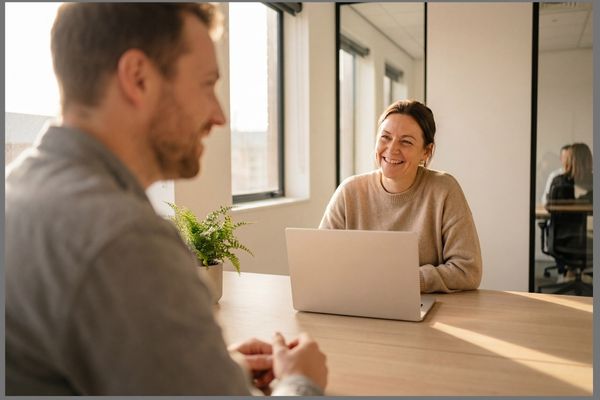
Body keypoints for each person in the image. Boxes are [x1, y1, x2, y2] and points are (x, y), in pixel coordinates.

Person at [5, 3, 327, 395]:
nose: (219, 115)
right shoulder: (124, 240)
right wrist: (301, 381)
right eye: (207, 85)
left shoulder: (19, 190)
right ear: (138, 78)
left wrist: (204, 367)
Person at [320, 100, 482, 293]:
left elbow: (468, 270)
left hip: (425, 306)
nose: (392, 149)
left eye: (406, 141)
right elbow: (321, 261)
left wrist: (406, 281)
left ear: (426, 151)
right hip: (359, 299)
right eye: (385, 137)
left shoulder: (444, 190)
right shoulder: (349, 192)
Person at [546, 142, 593, 282]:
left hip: (561, 241)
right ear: (589, 160)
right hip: (589, 241)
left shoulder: (558, 182)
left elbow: (549, 207)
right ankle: (579, 273)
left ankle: (570, 272)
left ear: (568, 160)